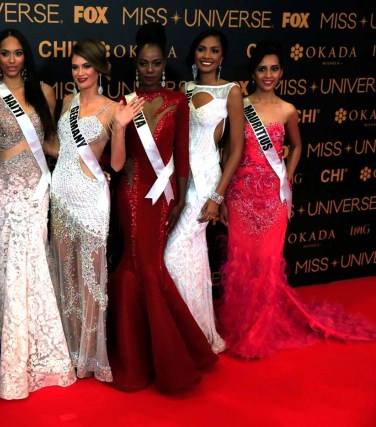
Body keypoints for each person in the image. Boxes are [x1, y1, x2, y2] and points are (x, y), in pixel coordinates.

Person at [219, 40, 376, 359]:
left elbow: (298, 146)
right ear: (253, 72)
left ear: (282, 72)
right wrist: (221, 197)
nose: (268, 74)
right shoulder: (240, 104)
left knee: (266, 266)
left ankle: (258, 334)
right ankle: (239, 326)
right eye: (262, 69)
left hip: (273, 199)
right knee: (242, 264)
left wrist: (286, 175)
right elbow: (229, 150)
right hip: (240, 197)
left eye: (274, 68)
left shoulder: (288, 109)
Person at [107, 23, 218, 393]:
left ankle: (161, 355)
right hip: (129, 193)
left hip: (164, 195)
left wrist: (182, 198)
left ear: (165, 62)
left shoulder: (178, 101)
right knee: (136, 265)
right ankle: (143, 355)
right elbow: (117, 156)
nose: (150, 69)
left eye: (156, 63)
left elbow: (183, 155)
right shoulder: (124, 102)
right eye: (143, 63)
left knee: (147, 266)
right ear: (135, 64)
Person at [0, 29, 76, 400]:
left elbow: (50, 143)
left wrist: (83, 163)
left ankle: (44, 355)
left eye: (18, 53)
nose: (13, 60)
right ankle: (9, 358)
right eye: (6, 54)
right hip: (2, 190)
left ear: (25, 56)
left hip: (37, 190)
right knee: (9, 266)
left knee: (35, 263)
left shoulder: (45, 91)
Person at [49, 39, 141, 382]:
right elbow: (59, 149)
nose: (80, 73)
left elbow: (116, 164)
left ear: (100, 68)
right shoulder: (68, 103)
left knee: (90, 279)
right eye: (75, 67)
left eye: (86, 66)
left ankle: (90, 355)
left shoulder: (110, 108)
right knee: (65, 275)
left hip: (91, 200)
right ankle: (70, 349)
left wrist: (121, 126)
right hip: (60, 195)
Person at [164, 29, 244, 353]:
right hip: (180, 179)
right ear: (194, 54)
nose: (207, 55)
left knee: (173, 255)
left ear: (222, 56)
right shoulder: (185, 89)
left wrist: (217, 196)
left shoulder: (232, 92)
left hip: (207, 181)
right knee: (193, 257)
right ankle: (193, 334)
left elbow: (236, 148)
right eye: (201, 49)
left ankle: (191, 332)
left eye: (214, 50)